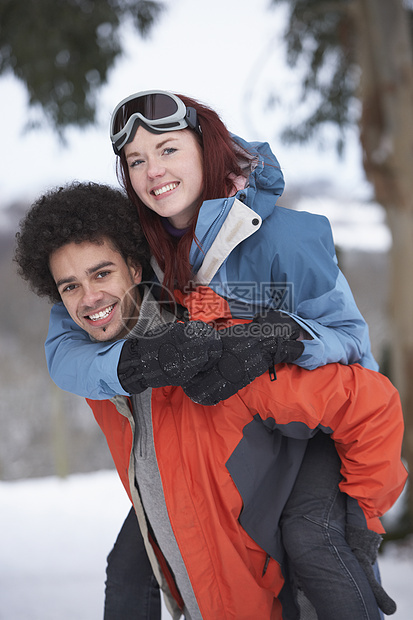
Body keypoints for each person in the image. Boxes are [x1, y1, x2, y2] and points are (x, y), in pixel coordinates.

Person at [15, 182, 407, 619]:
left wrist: (364, 522)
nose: (89, 298)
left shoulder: (211, 347)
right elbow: (65, 354)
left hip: (287, 521)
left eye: (101, 274)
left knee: (313, 541)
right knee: (128, 568)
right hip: (211, 540)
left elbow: (371, 403)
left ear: (135, 266)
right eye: (70, 287)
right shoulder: (98, 357)